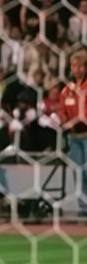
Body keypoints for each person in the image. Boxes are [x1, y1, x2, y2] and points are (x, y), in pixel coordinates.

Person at [58, 49, 87, 218]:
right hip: (74, 137)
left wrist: (79, 119)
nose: (77, 69)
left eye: (80, 66)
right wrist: (61, 119)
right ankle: (83, 207)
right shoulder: (67, 90)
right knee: (78, 172)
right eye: (74, 66)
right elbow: (62, 110)